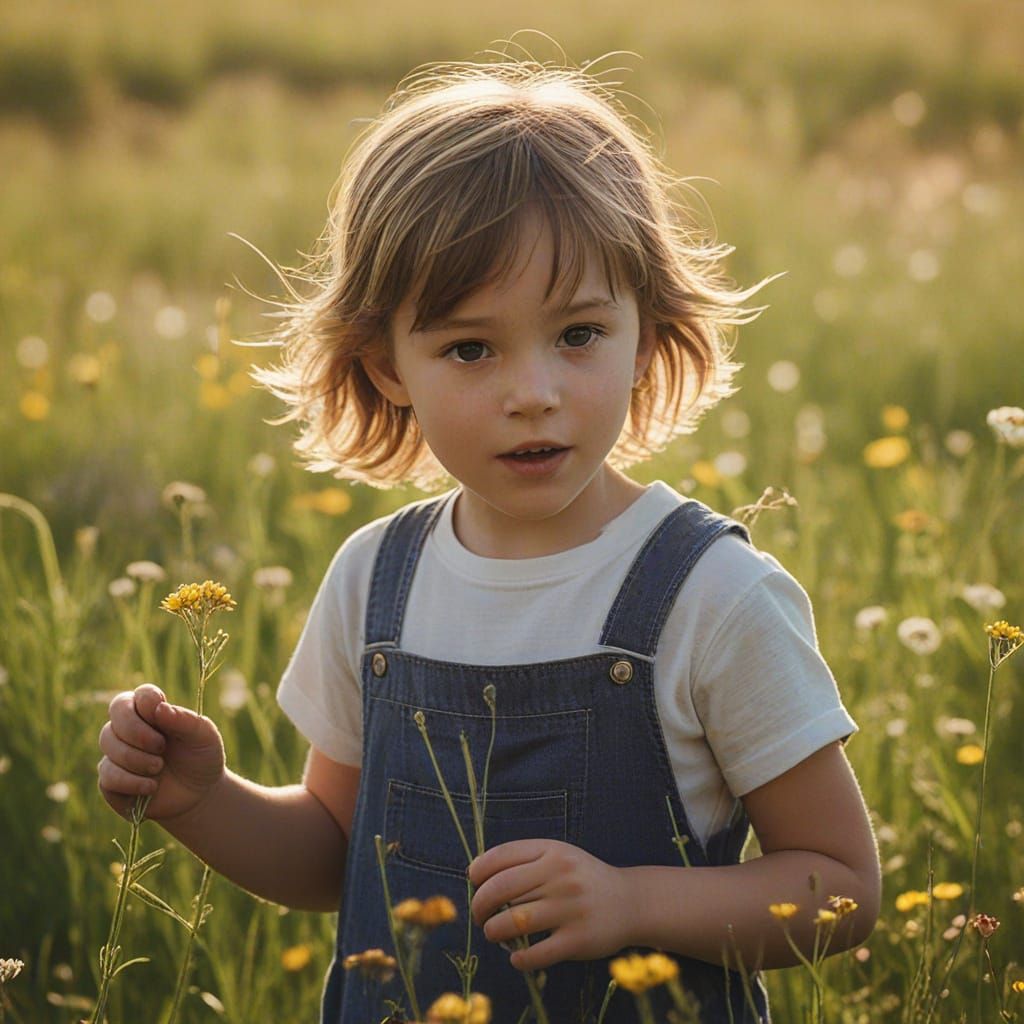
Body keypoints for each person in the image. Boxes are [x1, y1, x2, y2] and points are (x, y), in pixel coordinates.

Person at [98, 52, 880, 1024]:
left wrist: (633, 902)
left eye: (580, 334)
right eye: (471, 347)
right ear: (386, 364)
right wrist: (201, 800)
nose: (533, 392)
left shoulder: (710, 595)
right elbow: (334, 855)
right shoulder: (373, 581)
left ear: (645, 328)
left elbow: (839, 884)